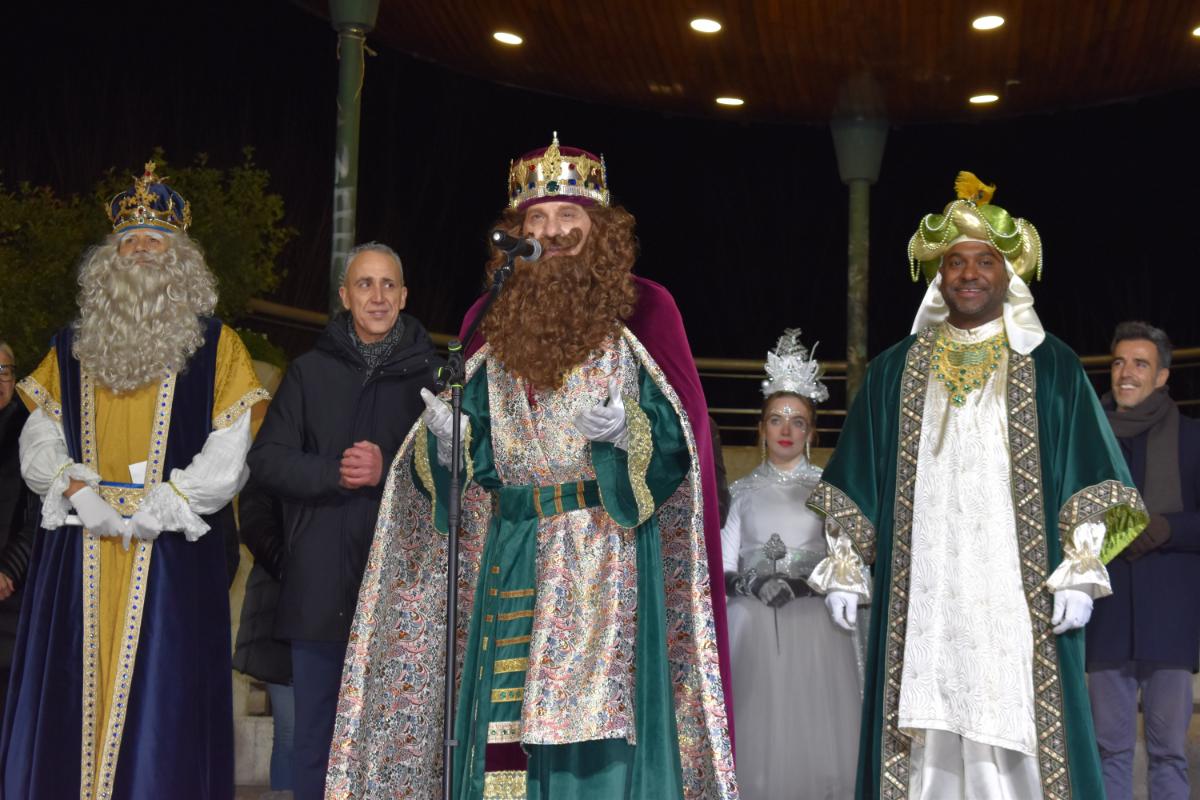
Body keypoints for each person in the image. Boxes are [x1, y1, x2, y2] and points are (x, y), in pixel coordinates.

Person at [326, 134, 736, 799]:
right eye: (536, 219)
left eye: (568, 215)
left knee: (596, 734)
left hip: (605, 555)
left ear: (599, 228)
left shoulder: (646, 309)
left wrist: (629, 430)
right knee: (503, 731)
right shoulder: (492, 314)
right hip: (512, 553)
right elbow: (472, 449)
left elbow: (682, 443)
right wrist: (450, 446)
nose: (552, 231)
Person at [807, 172, 1147, 799]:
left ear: (1007, 273)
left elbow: (1092, 472)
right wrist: (847, 564)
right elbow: (858, 473)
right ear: (938, 275)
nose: (968, 273)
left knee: (1016, 719)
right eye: (955, 261)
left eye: (984, 261)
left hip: (1017, 600)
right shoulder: (892, 371)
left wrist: (1081, 569)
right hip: (924, 599)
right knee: (925, 721)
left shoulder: (1052, 366)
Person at [1, 161, 268, 799]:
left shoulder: (218, 346)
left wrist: (169, 504)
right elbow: (38, 433)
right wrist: (73, 489)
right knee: (71, 697)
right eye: (130, 240)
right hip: (78, 548)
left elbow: (231, 447)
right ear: (109, 257)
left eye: (156, 239)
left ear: (181, 259)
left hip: (171, 553)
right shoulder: (72, 344)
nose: (142, 249)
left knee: (164, 708)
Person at [246, 241, 439, 800]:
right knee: (315, 741)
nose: (377, 296)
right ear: (345, 296)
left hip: (405, 589)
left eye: (387, 284)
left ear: (404, 295)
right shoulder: (308, 373)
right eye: (364, 284)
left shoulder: (435, 378)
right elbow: (266, 461)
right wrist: (335, 472)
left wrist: (389, 468)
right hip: (320, 588)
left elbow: (463, 477)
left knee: (398, 740)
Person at [722, 329, 861, 800]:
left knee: (815, 730)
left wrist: (803, 586)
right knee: (757, 727)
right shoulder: (740, 495)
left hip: (814, 628)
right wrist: (754, 582)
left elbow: (849, 566)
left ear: (811, 432)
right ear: (761, 428)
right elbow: (721, 568)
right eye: (776, 419)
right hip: (751, 627)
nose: (786, 430)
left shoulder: (830, 493)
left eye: (797, 421)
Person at [1087, 321, 1200, 800]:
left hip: (1170, 623)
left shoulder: (1192, 438)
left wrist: (1168, 528)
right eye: (1118, 362)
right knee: (1107, 751)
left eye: (1139, 363)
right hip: (1105, 618)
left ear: (1162, 376)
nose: (1125, 373)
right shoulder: (1088, 439)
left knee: (1169, 752)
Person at [232, 476, 295, 797]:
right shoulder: (265, 474)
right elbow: (256, 530)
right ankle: (284, 792)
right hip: (276, 625)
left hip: (323, 625)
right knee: (289, 729)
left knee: (302, 729)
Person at [0, 340, 34, 720]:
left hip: (10, 598)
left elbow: (41, 514)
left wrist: (10, 569)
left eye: (4, 371)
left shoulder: (32, 433)